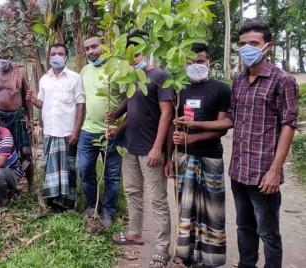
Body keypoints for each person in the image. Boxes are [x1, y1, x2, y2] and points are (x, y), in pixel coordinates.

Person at [176, 20, 299, 268]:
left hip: (264, 171)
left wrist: (275, 170)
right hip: (239, 168)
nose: (246, 49)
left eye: (253, 43)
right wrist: (194, 127)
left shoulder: (282, 80)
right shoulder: (239, 81)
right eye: (242, 44)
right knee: (244, 226)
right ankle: (247, 264)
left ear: (267, 46)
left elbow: (288, 125)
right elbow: (231, 120)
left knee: (268, 231)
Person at [108, 37, 174, 268]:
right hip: (130, 146)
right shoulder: (130, 79)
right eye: (127, 56)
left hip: (150, 149)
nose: (132, 59)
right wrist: (117, 126)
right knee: (133, 192)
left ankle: (162, 246)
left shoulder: (159, 77)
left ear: (143, 53)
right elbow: (132, 109)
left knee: (157, 199)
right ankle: (135, 232)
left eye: (135, 55)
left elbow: (167, 115)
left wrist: (158, 147)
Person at [171, 43, 230, 267]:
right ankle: (185, 254)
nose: (196, 66)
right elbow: (172, 124)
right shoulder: (179, 89)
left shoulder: (221, 89)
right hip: (183, 158)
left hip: (211, 157)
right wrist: (170, 156)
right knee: (186, 207)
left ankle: (210, 258)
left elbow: (223, 126)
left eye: (200, 62)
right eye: (191, 62)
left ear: (209, 62)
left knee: (213, 209)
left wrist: (193, 136)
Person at [26, 43, 85, 210]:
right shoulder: (45, 79)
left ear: (66, 56)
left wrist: (76, 130)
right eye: (53, 54)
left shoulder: (75, 78)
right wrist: (33, 99)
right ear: (49, 56)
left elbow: (81, 105)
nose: (56, 56)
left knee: (68, 168)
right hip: (50, 131)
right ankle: (53, 200)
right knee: (51, 168)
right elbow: (41, 104)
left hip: (67, 131)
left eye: (60, 53)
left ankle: (67, 202)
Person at [79, 35, 124, 227]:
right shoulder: (84, 71)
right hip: (88, 130)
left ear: (104, 46)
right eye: (87, 48)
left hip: (111, 132)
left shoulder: (117, 68)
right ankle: (92, 204)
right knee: (85, 169)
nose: (90, 52)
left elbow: (127, 98)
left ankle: (108, 211)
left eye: (94, 47)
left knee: (112, 174)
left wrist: (116, 114)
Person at [0, 49, 34, 190]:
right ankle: (4, 184)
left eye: (6, 57)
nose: (2, 60)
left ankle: (31, 185)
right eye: (0, 57)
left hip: (18, 117)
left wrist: (30, 118)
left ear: (11, 58)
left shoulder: (19, 74)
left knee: (25, 151)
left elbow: (27, 97)